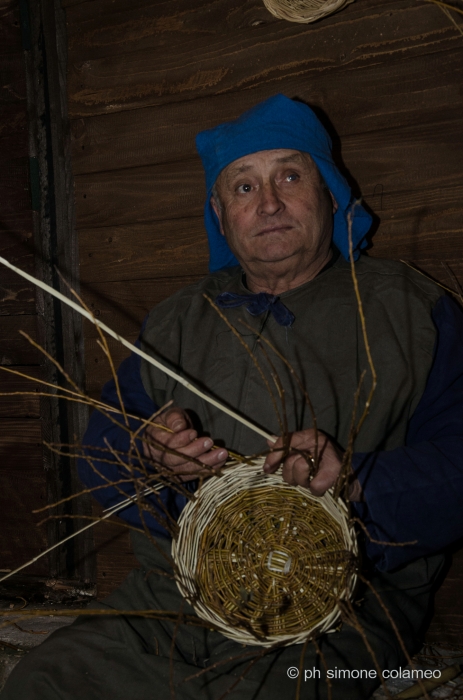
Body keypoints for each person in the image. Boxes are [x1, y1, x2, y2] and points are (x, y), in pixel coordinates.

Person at [2, 94, 463, 700]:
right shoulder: (177, 321)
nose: (268, 203)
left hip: (335, 614)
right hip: (174, 600)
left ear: (328, 191)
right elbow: (102, 447)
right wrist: (148, 456)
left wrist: (354, 484)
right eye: (243, 187)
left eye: (289, 176)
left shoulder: (412, 310)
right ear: (220, 217)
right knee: (44, 682)